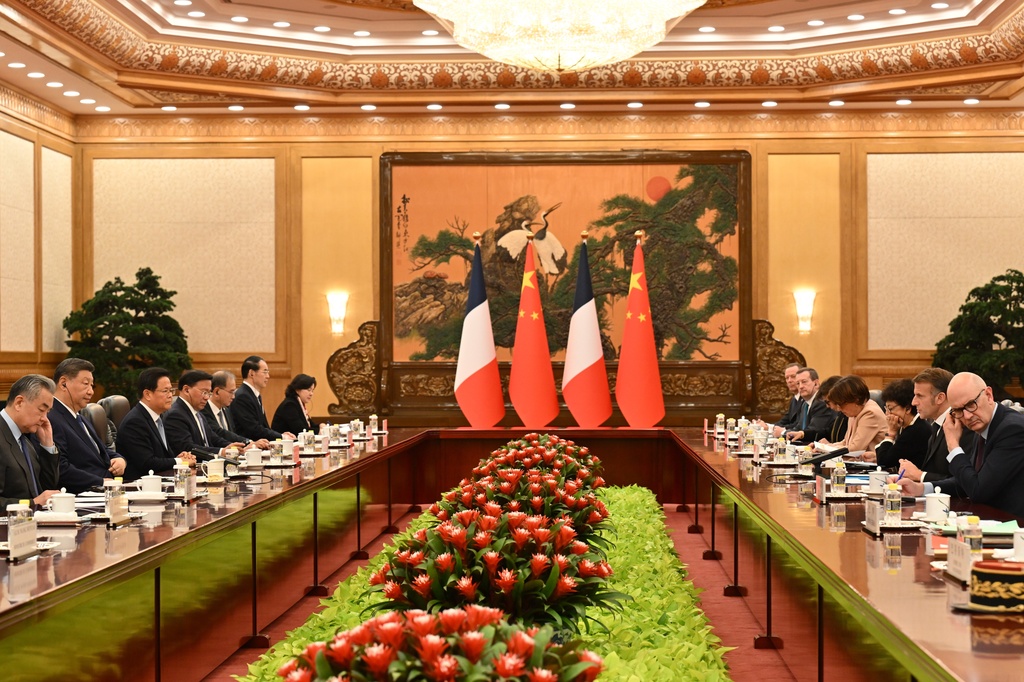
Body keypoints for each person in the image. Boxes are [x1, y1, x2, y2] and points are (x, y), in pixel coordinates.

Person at [897, 372, 1024, 517]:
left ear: (989, 395)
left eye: (971, 404)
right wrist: (921, 488)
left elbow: (977, 491)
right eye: (958, 410)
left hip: (1014, 526)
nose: (967, 416)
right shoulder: (983, 424)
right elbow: (967, 481)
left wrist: (953, 445)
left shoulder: (1012, 430)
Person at [49, 358, 127, 493]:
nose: (91, 391)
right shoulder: (51, 417)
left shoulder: (80, 416)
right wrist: (101, 482)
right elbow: (61, 468)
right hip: (82, 495)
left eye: (92, 385)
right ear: (63, 384)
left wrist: (119, 459)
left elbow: (98, 450)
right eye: (86, 384)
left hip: (106, 490)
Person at [897, 367, 975, 483]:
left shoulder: (961, 425)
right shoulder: (936, 424)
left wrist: (920, 475)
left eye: (920, 396)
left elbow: (963, 480)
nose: (913, 402)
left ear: (940, 398)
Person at [116, 367, 195, 480]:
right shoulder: (135, 422)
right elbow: (147, 463)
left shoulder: (158, 417)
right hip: (139, 487)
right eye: (165, 391)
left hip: (160, 482)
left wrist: (178, 457)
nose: (170, 395)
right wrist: (179, 461)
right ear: (147, 394)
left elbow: (160, 456)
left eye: (171, 390)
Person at [1, 374, 60, 508]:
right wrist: (32, 503)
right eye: (41, 410)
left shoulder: (23, 440)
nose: (45, 418)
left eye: (48, 412)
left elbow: (46, 488)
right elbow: (37, 499)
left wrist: (47, 445)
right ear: (19, 403)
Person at [163, 370, 246, 459]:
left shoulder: (198, 413)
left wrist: (234, 447)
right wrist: (222, 451)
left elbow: (213, 438)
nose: (207, 397)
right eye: (204, 392)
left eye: (208, 393)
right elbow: (188, 448)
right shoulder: (176, 415)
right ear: (186, 390)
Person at [820, 374, 887, 458]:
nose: (839, 408)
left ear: (855, 399)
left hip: (874, 466)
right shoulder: (855, 411)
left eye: (841, 404)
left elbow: (855, 449)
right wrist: (823, 447)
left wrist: (827, 449)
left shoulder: (870, 413)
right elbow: (846, 443)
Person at [873, 378, 932, 471]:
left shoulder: (916, 431)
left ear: (908, 408)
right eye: (886, 409)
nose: (887, 414)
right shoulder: (905, 426)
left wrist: (890, 433)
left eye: (890, 409)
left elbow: (884, 462)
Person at [232, 356, 294, 442]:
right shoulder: (242, 396)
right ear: (251, 373)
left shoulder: (255, 395)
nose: (268, 376)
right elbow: (253, 429)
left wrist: (281, 435)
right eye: (265, 372)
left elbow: (264, 427)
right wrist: (281, 437)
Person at [779, 368, 836, 443]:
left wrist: (783, 432)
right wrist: (785, 435)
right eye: (798, 383)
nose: (801, 386)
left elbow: (814, 430)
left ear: (816, 383)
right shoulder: (805, 404)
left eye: (804, 382)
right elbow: (798, 428)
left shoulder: (822, 402)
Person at [817, 375, 848, 443]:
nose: (827, 406)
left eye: (828, 402)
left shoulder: (851, 414)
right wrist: (803, 434)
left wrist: (829, 446)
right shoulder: (841, 414)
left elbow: (852, 447)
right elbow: (829, 432)